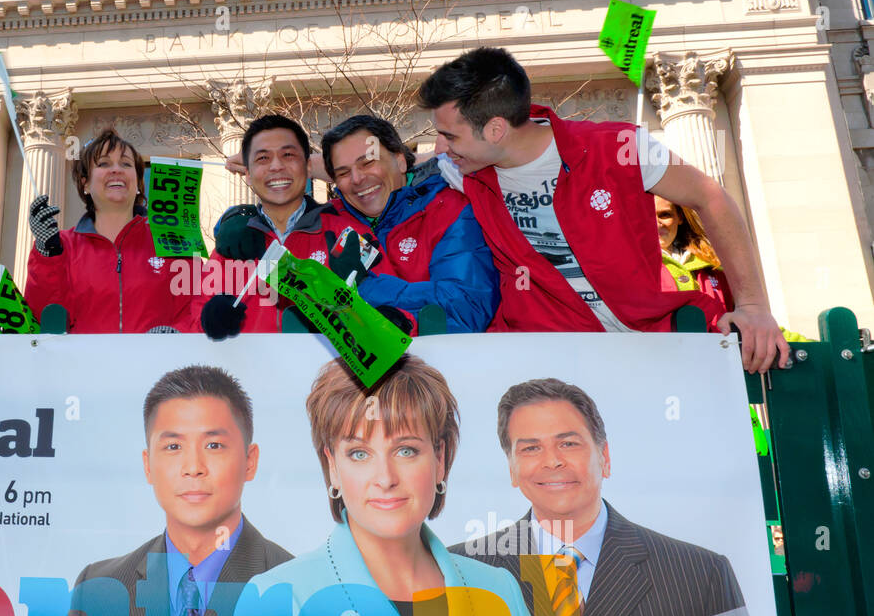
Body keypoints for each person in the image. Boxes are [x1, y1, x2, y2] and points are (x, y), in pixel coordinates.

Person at [417, 46, 789, 374]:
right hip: (544, 363)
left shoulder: (619, 146)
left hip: (650, 349)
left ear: (496, 129)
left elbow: (711, 198)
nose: (442, 147)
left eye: (451, 135)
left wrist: (753, 305)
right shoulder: (461, 168)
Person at [241, 355, 534, 616]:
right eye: (359, 454)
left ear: (439, 457)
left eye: (406, 450)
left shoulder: (501, 591)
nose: (385, 478)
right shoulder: (274, 600)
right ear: (332, 466)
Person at [451, 378, 748, 616]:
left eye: (568, 443)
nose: (552, 461)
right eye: (531, 448)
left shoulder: (700, 575)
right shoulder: (456, 573)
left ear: (604, 458)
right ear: (512, 468)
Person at [65, 365, 292, 616]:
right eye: (173, 446)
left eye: (214, 445)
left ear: (250, 462)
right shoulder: (97, 590)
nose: (193, 467)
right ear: (148, 465)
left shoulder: (297, 587)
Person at [196, 114, 410, 338]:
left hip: (332, 371)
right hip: (253, 371)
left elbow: (397, 306)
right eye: (263, 159)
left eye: (288, 155)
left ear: (308, 166)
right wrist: (208, 322)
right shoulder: (234, 243)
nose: (276, 166)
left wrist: (390, 318)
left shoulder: (347, 234)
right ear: (247, 174)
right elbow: (194, 316)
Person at [321, 114, 499, 332]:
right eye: (343, 173)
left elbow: (465, 309)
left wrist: (367, 288)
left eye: (368, 163)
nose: (357, 179)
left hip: (438, 362)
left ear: (400, 160)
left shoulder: (447, 210)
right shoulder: (326, 222)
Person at [25, 129, 192, 333]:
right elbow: (44, 319)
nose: (116, 170)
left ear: (139, 183)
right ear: (85, 183)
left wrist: (178, 334)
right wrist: (46, 256)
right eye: (104, 163)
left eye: (126, 164)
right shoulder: (61, 246)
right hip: (83, 363)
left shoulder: (172, 238)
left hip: (160, 362)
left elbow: (195, 307)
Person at [656, 197, 809, 342]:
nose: (657, 223)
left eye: (665, 215)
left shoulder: (714, 268)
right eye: (648, 215)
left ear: (680, 218)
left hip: (720, 361)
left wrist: (812, 346)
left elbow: (750, 321)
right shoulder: (635, 273)